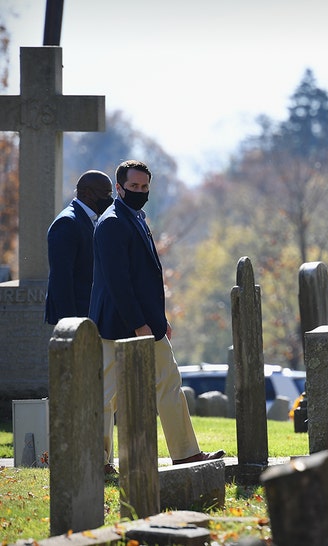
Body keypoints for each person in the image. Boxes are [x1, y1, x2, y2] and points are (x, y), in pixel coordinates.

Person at [89, 159, 223, 473]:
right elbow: (118, 282)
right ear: (119, 187)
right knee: (107, 395)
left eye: (144, 187)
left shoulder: (135, 217)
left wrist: (159, 322)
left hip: (146, 324)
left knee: (169, 382)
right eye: (133, 187)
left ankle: (186, 453)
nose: (139, 191)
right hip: (117, 323)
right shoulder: (111, 222)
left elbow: (145, 279)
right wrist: (140, 324)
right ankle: (98, 461)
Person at [45, 170, 113, 325]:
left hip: (90, 314)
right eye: (106, 194)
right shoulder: (67, 223)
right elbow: (61, 277)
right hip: (76, 316)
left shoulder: (91, 219)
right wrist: (69, 323)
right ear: (87, 193)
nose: (110, 200)